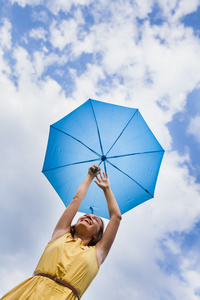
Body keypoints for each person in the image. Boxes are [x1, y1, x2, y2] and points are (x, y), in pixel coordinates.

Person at [1, 165, 122, 299]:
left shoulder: (97, 253)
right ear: (74, 225)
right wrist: (89, 177)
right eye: (85, 215)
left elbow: (116, 217)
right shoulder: (61, 234)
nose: (88, 217)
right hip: (32, 292)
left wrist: (107, 189)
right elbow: (76, 199)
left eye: (95, 220)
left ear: (96, 235)